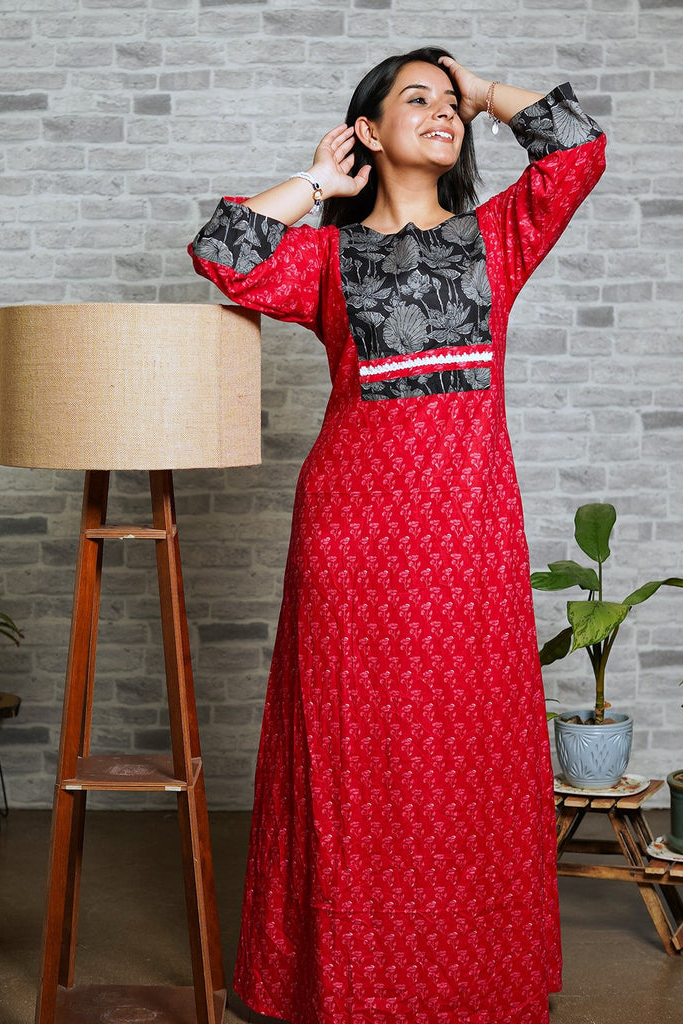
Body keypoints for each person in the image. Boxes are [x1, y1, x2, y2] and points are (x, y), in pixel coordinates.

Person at [190, 46, 605, 1024]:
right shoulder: (327, 259)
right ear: (369, 130)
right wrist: (317, 182)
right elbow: (223, 251)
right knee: (352, 760)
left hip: (469, 538)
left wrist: (483, 88)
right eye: (417, 98)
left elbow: (577, 150)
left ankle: (471, 980)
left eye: (451, 103)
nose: (444, 111)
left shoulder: (495, 239)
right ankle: (343, 982)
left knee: (470, 752)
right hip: (352, 539)